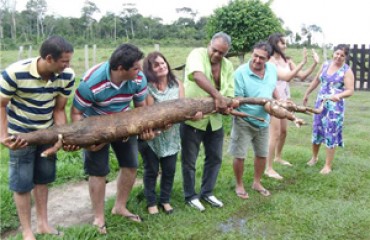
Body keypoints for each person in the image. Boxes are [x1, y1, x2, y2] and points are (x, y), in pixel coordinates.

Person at [0, 36, 75, 240]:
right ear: (49, 58)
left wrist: (61, 136)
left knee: (43, 180)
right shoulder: (14, 73)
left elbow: (59, 109)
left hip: (47, 134)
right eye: (64, 61)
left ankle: (43, 224)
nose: (68, 65)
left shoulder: (66, 76)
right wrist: (3, 136)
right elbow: (1, 105)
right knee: (22, 184)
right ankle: (27, 231)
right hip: (21, 136)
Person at [71, 43, 149, 234]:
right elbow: (76, 113)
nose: (140, 71)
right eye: (135, 68)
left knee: (130, 165)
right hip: (95, 125)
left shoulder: (138, 78)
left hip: (123, 122)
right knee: (98, 172)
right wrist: (86, 139)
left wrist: (145, 127)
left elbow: (141, 108)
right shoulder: (91, 82)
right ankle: (99, 217)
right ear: (121, 69)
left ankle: (119, 207)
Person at [228, 41, 307, 199]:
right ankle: (239, 184)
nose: (257, 60)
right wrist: (262, 102)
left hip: (264, 120)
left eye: (262, 58)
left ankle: (257, 182)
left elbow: (273, 87)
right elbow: (238, 98)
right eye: (255, 56)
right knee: (240, 155)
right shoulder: (240, 73)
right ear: (252, 53)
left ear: (268, 58)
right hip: (245, 118)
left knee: (262, 155)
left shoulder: (271, 69)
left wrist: (278, 100)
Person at [139, 52, 202, 215]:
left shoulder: (177, 84)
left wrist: (192, 116)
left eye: (163, 63)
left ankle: (165, 200)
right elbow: (150, 114)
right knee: (151, 170)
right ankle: (151, 202)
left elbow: (181, 109)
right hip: (152, 136)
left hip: (172, 136)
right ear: (150, 70)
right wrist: (161, 124)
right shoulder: (147, 88)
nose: (162, 66)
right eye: (157, 65)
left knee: (169, 170)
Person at [180, 32, 236, 211]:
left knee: (215, 158)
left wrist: (227, 104)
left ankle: (207, 192)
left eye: (222, 53)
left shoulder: (227, 66)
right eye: (215, 50)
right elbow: (197, 76)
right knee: (189, 160)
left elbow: (230, 92)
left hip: (215, 120)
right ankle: (190, 195)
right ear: (209, 45)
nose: (217, 55)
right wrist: (218, 96)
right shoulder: (197, 54)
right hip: (193, 118)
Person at [265, 33, 320, 180]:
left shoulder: (287, 60)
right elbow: (288, 76)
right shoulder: (269, 61)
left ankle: (278, 157)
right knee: (275, 133)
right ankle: (268, 168)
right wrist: (302, 62)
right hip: (273, 100)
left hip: (285, 100)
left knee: (283, 132)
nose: (285, 46)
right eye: (283, 43)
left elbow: (301, 76)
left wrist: (314, 63)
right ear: (275, 44)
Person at [303, 44, 354, 174]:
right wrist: (307, 93)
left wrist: (338, 95)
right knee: (317, 128)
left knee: (331, 132)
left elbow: (350, 90)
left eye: (342, 55)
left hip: (335, 107)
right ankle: (314, 157)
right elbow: (316, 80)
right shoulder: (325, 64)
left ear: (346, 57)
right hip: (320, 103)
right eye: (337, 53)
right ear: (333, 53)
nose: (338, 57)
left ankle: (327, 165)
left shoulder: (346, 70)